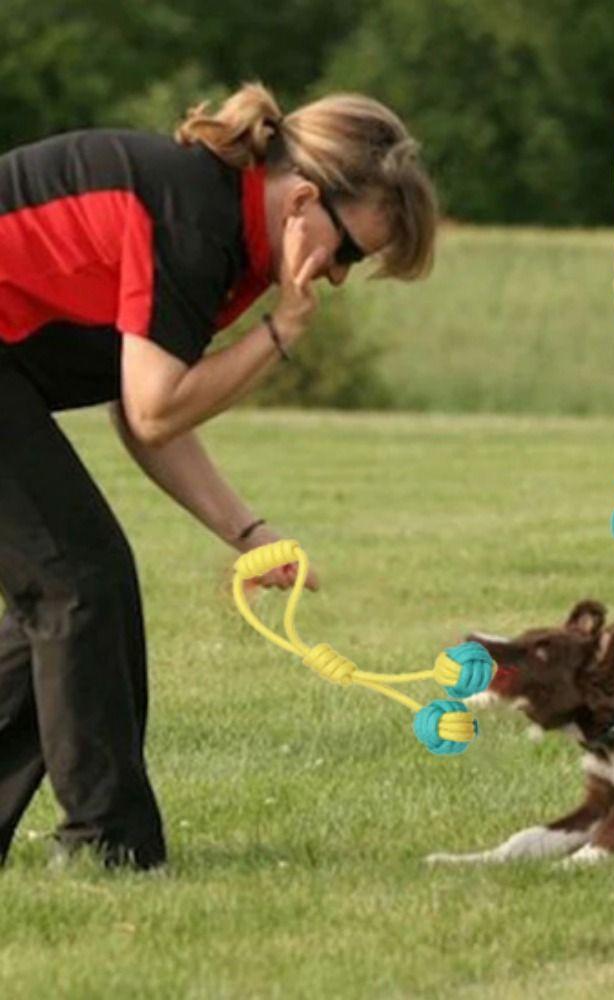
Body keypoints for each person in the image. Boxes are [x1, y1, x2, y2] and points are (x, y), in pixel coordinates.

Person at [0, 82, 437, 870]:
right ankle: (108, 848)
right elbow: (158, 408)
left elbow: (144, 415)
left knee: (74, 594)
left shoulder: (223, 228)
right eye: (351, 251)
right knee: (77, 585)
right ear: (303, 198)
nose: (338, 277)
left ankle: (106, 843)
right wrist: (281, 330)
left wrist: (249, 532)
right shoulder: (196, 222)